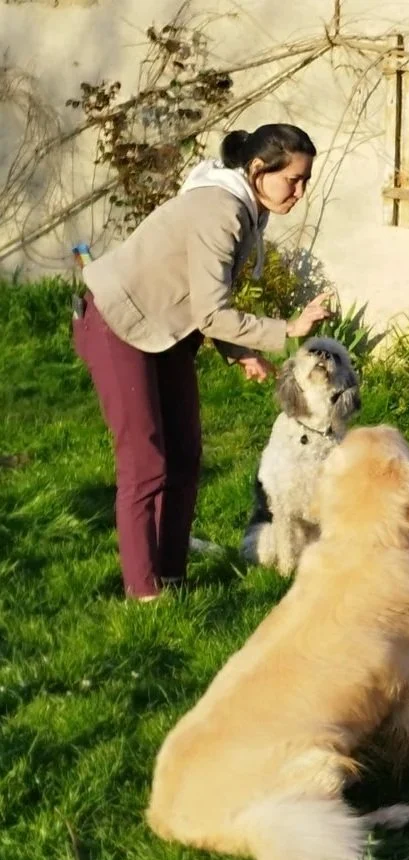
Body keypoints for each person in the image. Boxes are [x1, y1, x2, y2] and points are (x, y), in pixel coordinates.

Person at [75, 123, 334, 602]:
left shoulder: (248, 207)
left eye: (305, 181)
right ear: (257, 170)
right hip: (117, 321)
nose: (299, 192)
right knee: (146, 462)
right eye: (292, 180)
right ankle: (144, 592)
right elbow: (212, 311)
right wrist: (288, 330)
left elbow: (203, 295)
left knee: (186, 456)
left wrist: (240, 351)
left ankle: (171, 576)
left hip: (166, 328)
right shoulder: (221, 210)